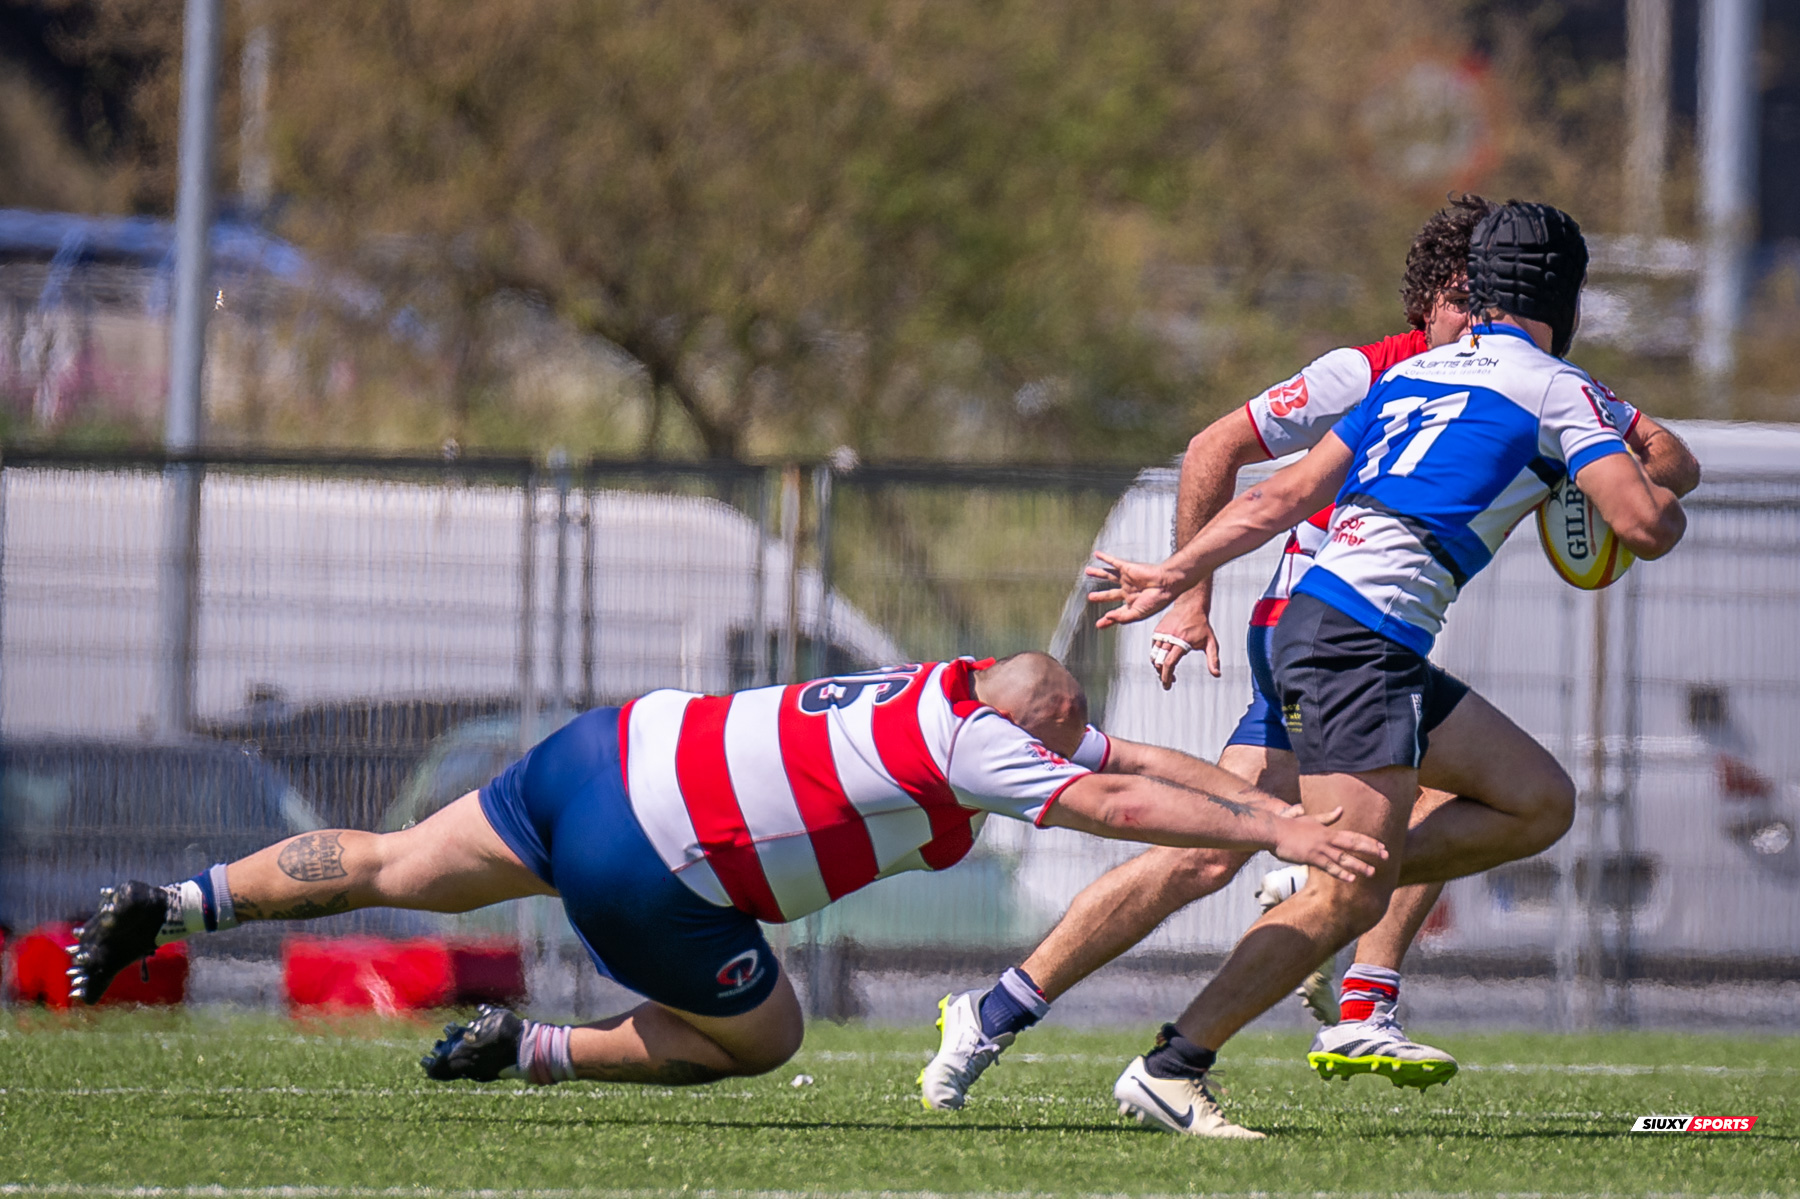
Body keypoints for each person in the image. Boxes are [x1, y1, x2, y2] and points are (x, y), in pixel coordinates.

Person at [918, 196, 1700, 1114]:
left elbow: (1284, 496)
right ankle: (1200, 1045)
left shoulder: (1514, 386)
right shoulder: (1395, 373)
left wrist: (1174, 572)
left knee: (1504, 802)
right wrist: (1187, 588)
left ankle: (1000, 1005)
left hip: (1352, 638)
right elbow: (1232, 458)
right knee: (1340, 866)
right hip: (1338, 635)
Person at [68, 652, 1386, 1089]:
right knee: (765, 1032)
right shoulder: (982, 748)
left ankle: (178, 902)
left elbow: (1115, 750)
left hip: (607, 749)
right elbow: (1103, 790)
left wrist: (1250, 788)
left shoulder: (951, 686)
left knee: (397, 859)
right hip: (649, 861)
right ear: (1016, 727)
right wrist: (1275, 834)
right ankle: (526, 1048)